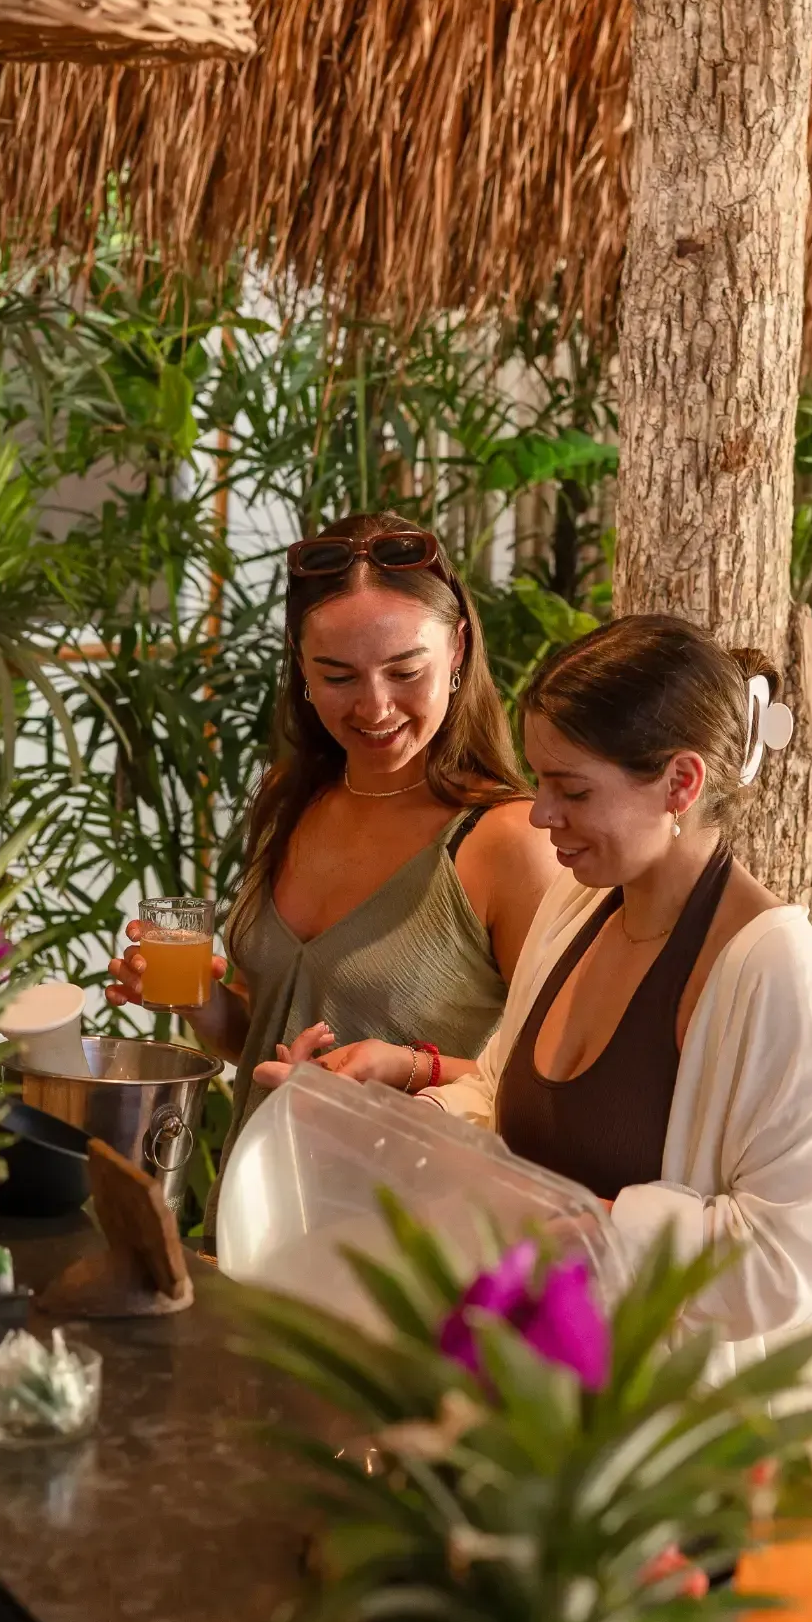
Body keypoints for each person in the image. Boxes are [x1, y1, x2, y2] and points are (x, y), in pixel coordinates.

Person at [287, 613, 812, 1384]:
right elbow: (497, 1100)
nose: (540, 814)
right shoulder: (578, 907)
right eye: (541, 781)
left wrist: (590, 1231)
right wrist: (368, 1124)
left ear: (680, 784)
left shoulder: (776, 971)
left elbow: (787, 1258)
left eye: (573, 790)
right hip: (519, 1405)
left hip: (653, 1456)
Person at [106, 512, 559, 1240]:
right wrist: (197, 999)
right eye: (338, 675)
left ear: (458, 652)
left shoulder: (507, 841)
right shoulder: (290, 798)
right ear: (301, 670)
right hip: (260, 1224)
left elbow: (554, 1090)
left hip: (415, 1254)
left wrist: (408, 1068)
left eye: (405, 671)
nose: (374, 707)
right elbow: (261, 1036)